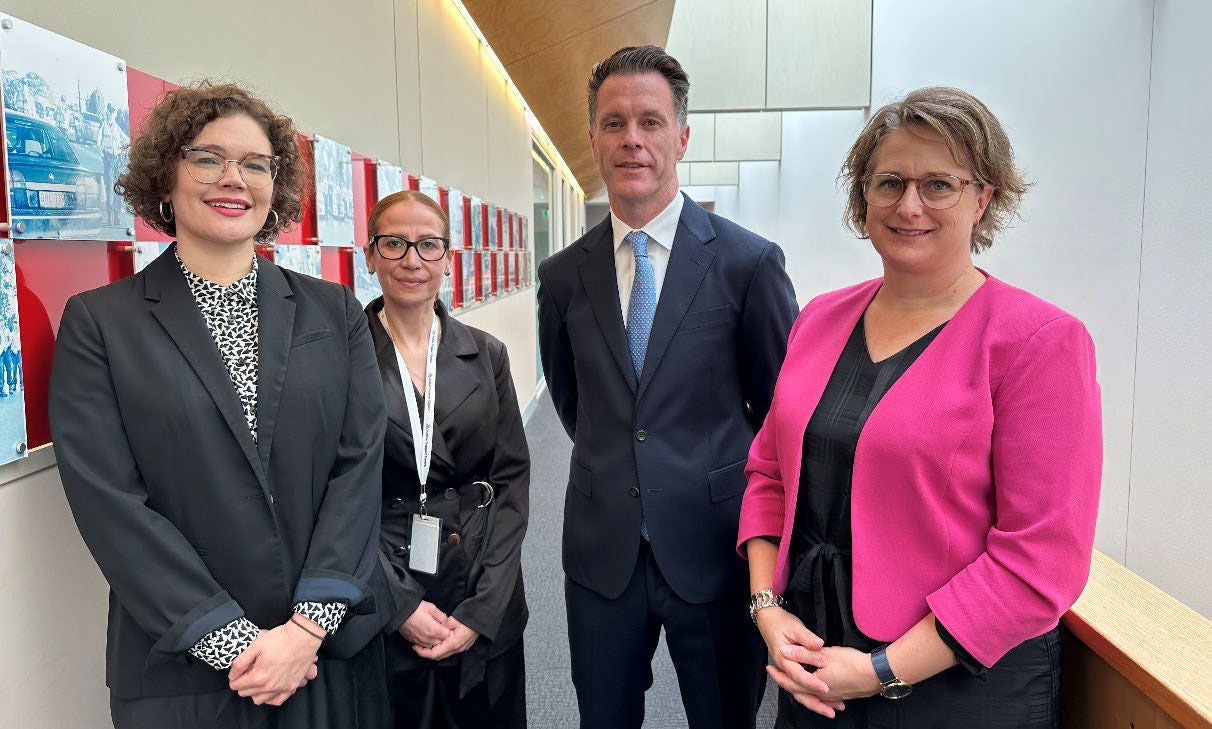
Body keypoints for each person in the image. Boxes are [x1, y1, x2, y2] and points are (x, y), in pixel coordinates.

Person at [738, 86, 1102, 728]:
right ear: (863, 196)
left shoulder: (1037, 342)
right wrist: (767, 607)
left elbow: (1041, 559)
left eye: (939, 184)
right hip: (815, 664)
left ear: (983, 196)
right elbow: (768, 472)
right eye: (889, 183)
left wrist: (882, 670)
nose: (909, 206)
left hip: (956, 684)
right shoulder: (818, 320)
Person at [49, 82, 393, 729]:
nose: (233, 178)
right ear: (166, 174)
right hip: (184, 663)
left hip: (323, 654)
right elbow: (110, 501)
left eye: (255, 163)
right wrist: (237, 644)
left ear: (276, 184)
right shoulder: (101, 323)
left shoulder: (333, 311)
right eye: (208, 157)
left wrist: (305, 628)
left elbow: (358, 464)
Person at [537, 46, 799, 729]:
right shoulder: (563, 276)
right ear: (591, 137)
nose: (632, 139)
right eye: (614, 122)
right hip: (602, 554)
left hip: (714, 550)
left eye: (650, 121)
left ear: (681, 136)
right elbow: (575, 402)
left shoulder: (748, 263)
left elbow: (780, 413)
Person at [364, 190, 530, 729]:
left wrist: (485, 608)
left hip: (482, 573)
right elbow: (330, 494)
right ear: (370, 256)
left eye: (429, 245)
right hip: (388, 577)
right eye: (395, 243)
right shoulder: (342, 360)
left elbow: (511, 481)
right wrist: (400, 606)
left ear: (448, 259)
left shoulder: (486, 353)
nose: (413, 260)